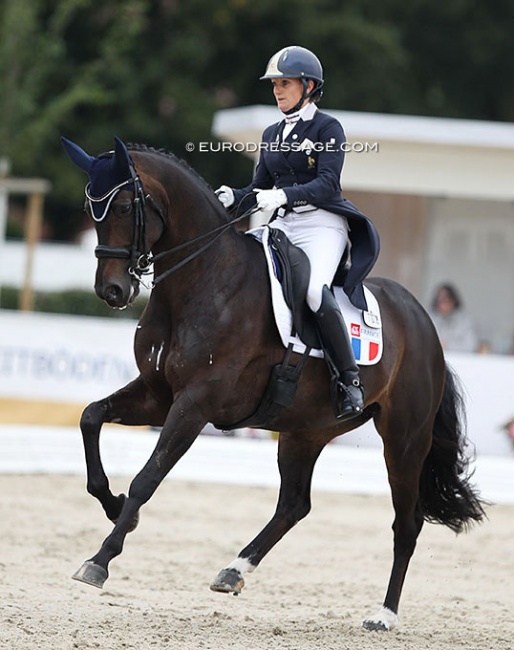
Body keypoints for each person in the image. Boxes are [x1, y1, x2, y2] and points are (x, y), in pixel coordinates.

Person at [215, 45, 380, 419]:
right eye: (274, 84)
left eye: (284, 83)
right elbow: (258, 188)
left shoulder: (327, 128)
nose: (276, 90)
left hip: (322, 224)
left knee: (313, 291)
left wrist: (282, 194)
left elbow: (326, 184)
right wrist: (233, 197)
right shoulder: (271, 132)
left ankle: (349, 381)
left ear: (308, 86)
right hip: (283, 224)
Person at [429, 283, 479, 353]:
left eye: (446, 300)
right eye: (439, 300)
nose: (442, 304)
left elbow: (471, 346)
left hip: (459, 360)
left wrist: (447, 345)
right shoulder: (429, 319)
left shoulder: (466, 320)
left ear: (453, 301)